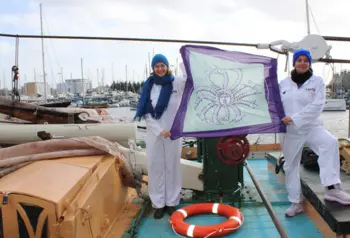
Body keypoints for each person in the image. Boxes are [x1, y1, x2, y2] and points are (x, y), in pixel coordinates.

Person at [279, 48, 350, 217]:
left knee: (330, 142)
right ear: (294, 63)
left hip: (311, 126)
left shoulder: (316, 81)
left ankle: (332, 188)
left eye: (306, 60)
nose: (302, 62)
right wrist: (282, 118)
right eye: (299, 60)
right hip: (289, 131)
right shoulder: (283, 84)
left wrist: (295, 118)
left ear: (309, 63)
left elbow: (317, 105)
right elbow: (275, 104)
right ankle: (295, 202)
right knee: (291, 166)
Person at [134, 54, 186, 219]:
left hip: (173, 132)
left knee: (172, 167)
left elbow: (188, 78)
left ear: (167, 66)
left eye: (163, 65)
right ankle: (158, 203)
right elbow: (147, 113)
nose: (160, 68)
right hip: (155, 134)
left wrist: (187, 57)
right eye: (157, 66)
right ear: (153, 68)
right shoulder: (149, 85)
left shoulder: (176, 82)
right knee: (156, 168)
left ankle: (171, 202)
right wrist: (159, 130)